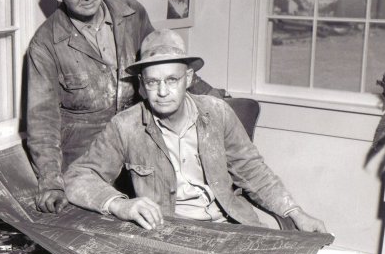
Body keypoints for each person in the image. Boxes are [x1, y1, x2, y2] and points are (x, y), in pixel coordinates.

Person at [64, 29, 327, 233]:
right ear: (142, 85)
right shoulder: (125, 126)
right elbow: (77, 177)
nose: (163, 92)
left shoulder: (217, 112)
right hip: (172, 233)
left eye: (172, 80)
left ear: (188, 78)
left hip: (231, 224)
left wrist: (295, 212)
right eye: (153, 82)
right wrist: (120, 204)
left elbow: (254, 173)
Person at [26, 0, 223, 214]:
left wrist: (211, 96)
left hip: (139, 149)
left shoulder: (131, 12)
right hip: (87, 162)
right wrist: (51, 183)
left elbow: (163, 60)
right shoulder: (45, 44)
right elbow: (42, 121)